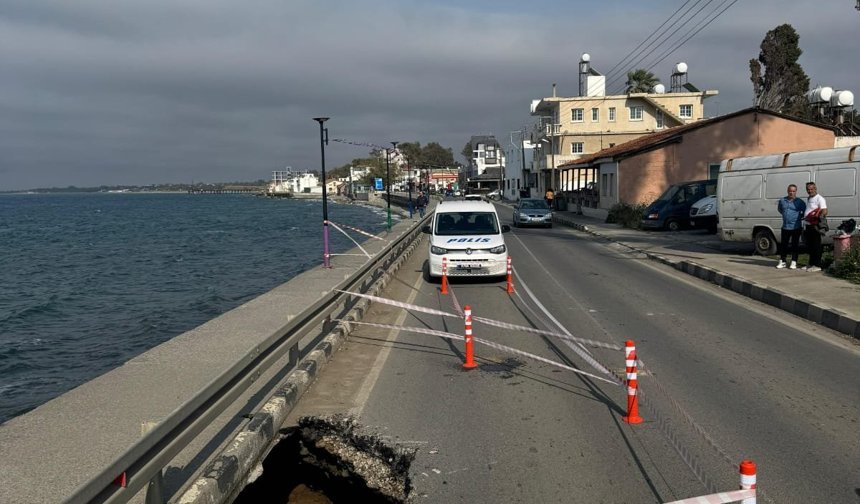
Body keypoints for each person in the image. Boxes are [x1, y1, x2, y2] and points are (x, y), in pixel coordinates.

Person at [776, 184, 805, 269]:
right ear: (787, 191)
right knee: (784, 245)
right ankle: (783, 261)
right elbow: (780, 209)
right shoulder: (782, 201)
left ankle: (794, 262)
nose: (791, 193)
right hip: (785, 227)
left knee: (794, 245)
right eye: (790, 191)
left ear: (796, 192)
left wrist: (798, 217)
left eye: (793, 191)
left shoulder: (800, 202)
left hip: (796, 227)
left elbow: (804, 212)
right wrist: (786, 216)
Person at [802, 181, 828, 272]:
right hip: (808, 225)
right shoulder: (809, 198)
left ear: (815, 189)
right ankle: (811, 264)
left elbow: (825, 211)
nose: (810, 191)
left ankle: (817, 265)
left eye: (811, 189)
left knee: (816, 245)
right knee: (810, 246)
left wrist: (817, 216)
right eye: (808, 189)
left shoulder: (820, 198)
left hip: (815, 225)